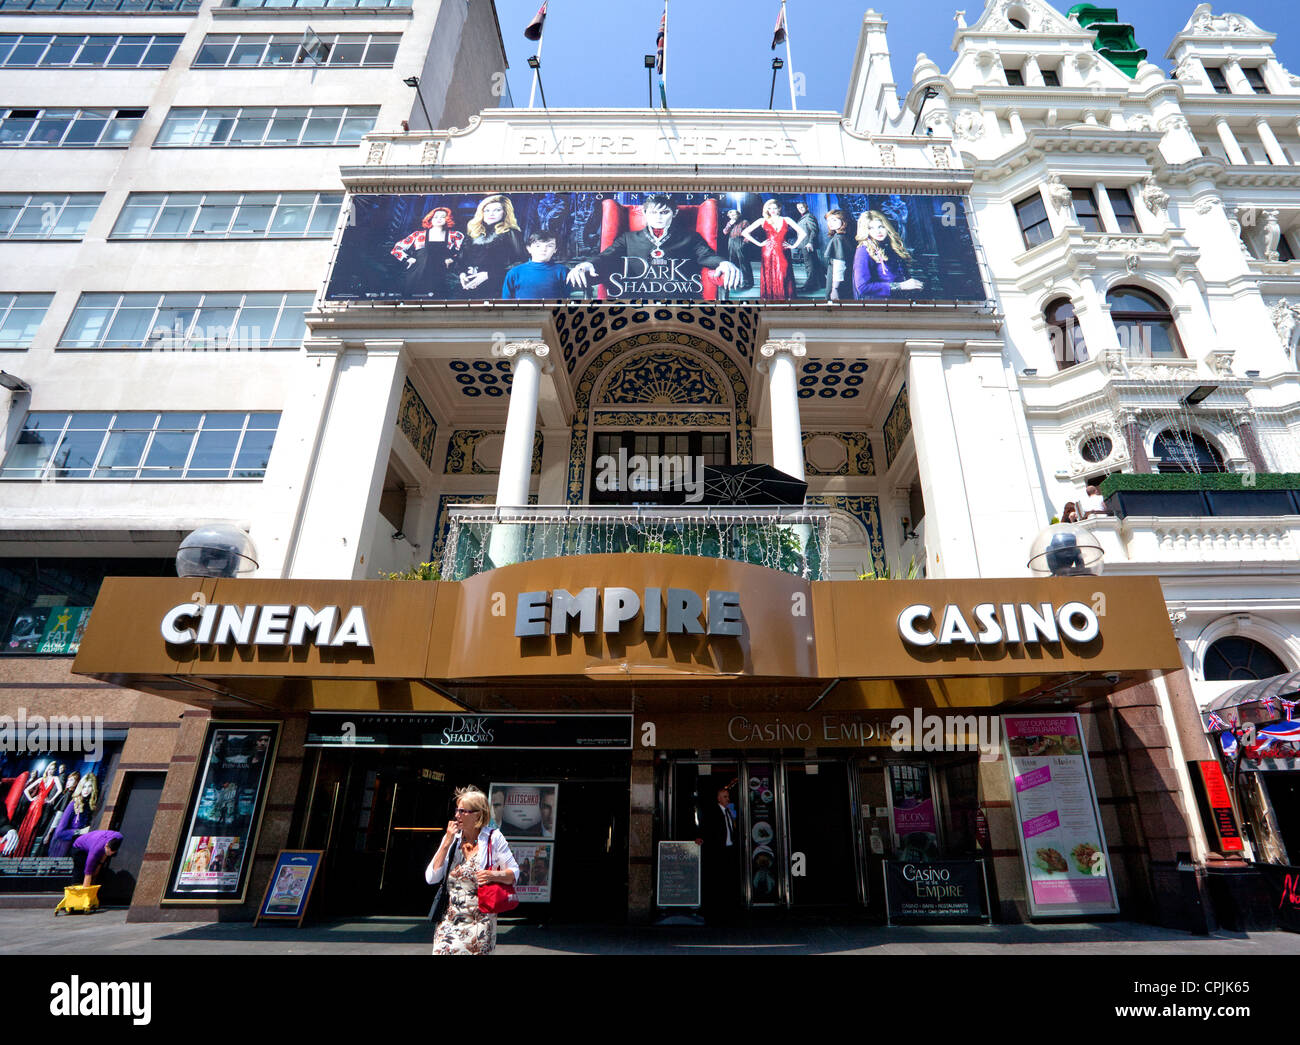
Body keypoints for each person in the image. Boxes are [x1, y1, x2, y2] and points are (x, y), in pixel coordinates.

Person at [566, 194, 743, 298]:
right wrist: (587, 264)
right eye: (653, 212)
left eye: (664, 212)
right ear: (644, 213)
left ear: (674, 213)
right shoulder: (628, 238)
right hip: (635, 300)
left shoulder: (690, 237)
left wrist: (723, 263)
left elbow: (706, 256)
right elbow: (607, 256)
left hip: (679, 300)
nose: (658, 216)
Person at [426, 786, 519, 955]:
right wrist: (446, 843)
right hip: (449, 920)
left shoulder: (493, 838)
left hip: (480, 922)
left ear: (477, 814)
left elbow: (514, 874)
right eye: (456, 810)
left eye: (463, 811)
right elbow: (431, 877)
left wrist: (493, 875)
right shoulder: (452, 838)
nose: (457, 815)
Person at [455, 195, 525, 297]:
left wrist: (489, 275)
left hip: (496, 287)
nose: (491, 213)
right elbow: (460, 260)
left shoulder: (511, 232)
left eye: (497, 210)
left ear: (505, 212)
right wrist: (462, 275)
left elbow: (520, 262)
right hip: (469, 285)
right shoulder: (473, 233)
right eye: (486, 210)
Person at [390, 206, 463, 298]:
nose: (439, 219)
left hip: (442, 277)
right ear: (430, 219)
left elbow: (463, 251)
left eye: (442, 216)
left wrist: (452, 259)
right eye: (435, 217)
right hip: (417, 276)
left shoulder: (455, 235)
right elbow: (396, 248)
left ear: (448, 218)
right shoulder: (418, 235)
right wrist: (408, 259)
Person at [743, 198, 806, 301]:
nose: (772, 210)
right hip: (768, 252)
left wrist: (794, 245)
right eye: (770, 208)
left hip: (783, 251)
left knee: (784, 274)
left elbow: (803, 233)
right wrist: (759, 244)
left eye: (775, 208)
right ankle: (771, 300)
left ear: (779, 209)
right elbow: (745, 232)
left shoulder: (787, 219)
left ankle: (785, 300)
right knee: (769, 275)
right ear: (767, 209)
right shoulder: (762, 220)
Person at [853, 210, 923, 299]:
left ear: (887, 227)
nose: (878, 231)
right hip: (880, 304)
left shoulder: (890, 244)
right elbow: (863, 287)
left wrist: (913, 285)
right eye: (871, 228)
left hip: (899, 300)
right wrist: (902, 286)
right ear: (866, 230)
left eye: (881, 227)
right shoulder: (863, 250)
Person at [696, 784, 741, 923]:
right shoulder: (713, 812)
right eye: (725, 797)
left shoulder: (728, 812)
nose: (728, 799)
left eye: (728, 796)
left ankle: (727, 910)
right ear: (718, 798)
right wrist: (700, 837)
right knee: (717, 881)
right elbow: (705, 828)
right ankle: (716, 912)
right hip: (717, 852)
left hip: (728, 850)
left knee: (727, 881)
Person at [502, 233, 569, 299]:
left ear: (555, 250)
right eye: (538, 246)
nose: (543, 249)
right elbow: (506, 303)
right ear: (529, 249)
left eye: (549, 246)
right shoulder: (514, 273)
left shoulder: (563, 271)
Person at [823, 208, 852, 301]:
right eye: (828, 220)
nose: (830, 223)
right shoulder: (844, 236)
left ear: (843, 221)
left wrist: (834, 289)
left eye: (834, 220)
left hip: (837, 281)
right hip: (846, 278)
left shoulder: (838, 239)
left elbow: (839, 265)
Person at [795, 200, 823, 293]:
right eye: (798, 208)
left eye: (802, 207)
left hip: (807, 244)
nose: (800, 209)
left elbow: (814, 231)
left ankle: (810, 286)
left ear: (807, 207)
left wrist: (810, 242)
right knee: (814, 264)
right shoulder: (803, 217)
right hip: (804, 244)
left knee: (809, 265)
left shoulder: (809, 217)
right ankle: (821, 283)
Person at [722, 209, 753, 290]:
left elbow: (749, 233)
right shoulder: (729, 223)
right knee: (732, 262)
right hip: (731, 241)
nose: (732, 216)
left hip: (740, 241)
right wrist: (729, 225)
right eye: (731, 215)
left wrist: (744, 244)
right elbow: (725, 232)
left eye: (734, 215)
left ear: (738, 215)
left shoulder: (744, 222)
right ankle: (735, 282)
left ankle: (748, 283)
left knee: (744, 263)